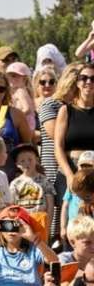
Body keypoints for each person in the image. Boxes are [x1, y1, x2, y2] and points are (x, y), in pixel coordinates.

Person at [38, 63, 82, 242]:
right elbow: (56, 135)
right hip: (53, 170)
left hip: (77, 169)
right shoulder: (51, 104)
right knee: (55, 223)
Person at [54, 63, 94, 189]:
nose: (88, 82)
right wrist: (69, 175)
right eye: (83, 78)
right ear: (77, 83)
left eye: (93, 79)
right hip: (70, 168)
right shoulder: (66, 111)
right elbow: (58, 147)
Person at [9, 143, 54, 215]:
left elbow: (50, 205)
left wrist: (48, 223)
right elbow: (11, 206)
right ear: (17, 164)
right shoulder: (15, 183)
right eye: (22, 161)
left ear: (36, 160)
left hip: (40, 221)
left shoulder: (45, 181)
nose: (27, 163)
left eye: (30, 159)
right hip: (22, 221)